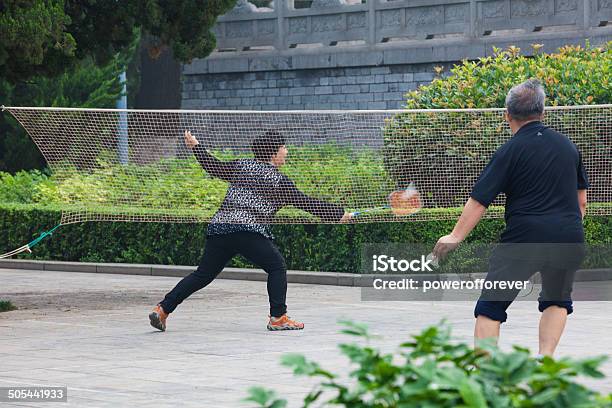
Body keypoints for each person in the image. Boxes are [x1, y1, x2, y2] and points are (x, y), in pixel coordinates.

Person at [433, 79, 589, 356]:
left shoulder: (509, 150)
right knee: (557, 300)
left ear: (507, 115)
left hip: (524, 239)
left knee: (490, 307)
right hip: (569, 236)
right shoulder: (569, 147)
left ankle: (485, 372)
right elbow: (581, 202)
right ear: (543, 112)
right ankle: (545, 363)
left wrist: (455, 236)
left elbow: (480, 199)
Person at [150, 129, 352, 331]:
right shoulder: (280, 182)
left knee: (203, 275)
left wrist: (195, 146)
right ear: (274, 153)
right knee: (277, 267)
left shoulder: (241, 166)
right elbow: (307, 203)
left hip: (220, 228)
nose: (287, 151)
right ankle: (278, 317)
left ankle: (163, 309)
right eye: (284, 148)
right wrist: (339, 214)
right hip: (247, 229)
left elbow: (213, 166)